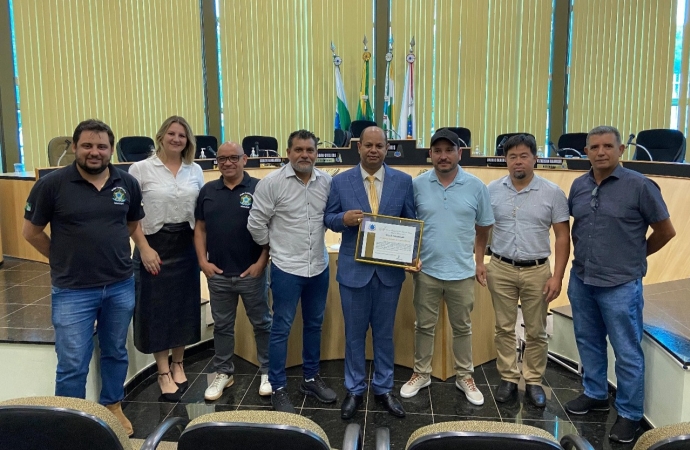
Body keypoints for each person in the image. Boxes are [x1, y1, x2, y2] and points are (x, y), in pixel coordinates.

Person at [22, 119, 144, 435]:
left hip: (119, 284)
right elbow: (31, 232)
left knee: (116, 351)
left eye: (101, 146)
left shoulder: (126, 183)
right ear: (74, 147)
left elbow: (131, 224)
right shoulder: (52, 185)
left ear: (111, 150)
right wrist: (60, 260)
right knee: (73, 362)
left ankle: (112, 405)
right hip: (73, 290)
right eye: (87, 145)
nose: (94, 152)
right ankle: (71, 419)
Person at [565, 126, 676, 443]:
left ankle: (629, 413)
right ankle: (595, 392)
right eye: (594, 147)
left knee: (627, 351)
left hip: (620, 284)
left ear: (620, 150)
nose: (601, 152)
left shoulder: (640, 186)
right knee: (588, 341)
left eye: (608, 146)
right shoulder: (578, 185)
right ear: (586, 151)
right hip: (582, 278)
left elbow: (666, 231)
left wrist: (635, 257)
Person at [324, 126, 416, 420]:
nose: (373, 150)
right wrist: (343, 219)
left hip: (388, 274)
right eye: (368, 145)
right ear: (358, 148)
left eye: (379, 145)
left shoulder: (403, 181)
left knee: (384, 334)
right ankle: (354, 388)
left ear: (387, 148)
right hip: (354, 272)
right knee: (354, 334)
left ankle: (383, 388)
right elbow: (328, 218)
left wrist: (412, 254)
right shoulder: (340, 182)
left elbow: (411, 221)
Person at [399, 128, 494, 406]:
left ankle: (465, 376)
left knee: (462, 327)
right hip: (426, 271)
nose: (443, 156)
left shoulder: (476, 186)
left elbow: (484, 227)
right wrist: (410, 257)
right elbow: (409, 225)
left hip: (462, 272)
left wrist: (478, 262)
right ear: (430, 154)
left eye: (448, 150)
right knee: (423, 325)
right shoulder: (417, 185)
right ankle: (421, 373)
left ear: (459, 153)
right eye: (437, 151)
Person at [248, 129, 336, 413]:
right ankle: (279, 387)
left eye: (310, 150)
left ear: (316, 154)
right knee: (281, 328)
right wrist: (275, 246)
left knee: (314, 325)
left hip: (318, 267)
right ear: (288, 153)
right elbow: (255, 224)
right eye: (298, 150)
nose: (304, 155)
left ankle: (310, 378)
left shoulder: (327, 182)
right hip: (287, 268)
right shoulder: (272, 183)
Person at [485, 134, 570, 407]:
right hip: (500, 268)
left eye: (523, 155)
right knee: (503, 328)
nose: (518, 161)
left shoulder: (553, 193)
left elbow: (561, 236)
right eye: (512, 157)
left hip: (537, 271)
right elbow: (482, 229)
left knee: (536, 330)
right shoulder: (491, 190)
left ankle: (533, 380)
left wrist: (557, 275)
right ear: (505, 160)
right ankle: (508, 378)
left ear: (535, 158)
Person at [129, 116, 204, 402]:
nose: (176, 139)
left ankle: (178, 363)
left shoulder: (194, 169)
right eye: (171, 134)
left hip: (185, 244)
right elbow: (132, 214)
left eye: (182, 135)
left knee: (184, 305)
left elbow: (198, 214)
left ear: (188, 140)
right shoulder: (141, 169)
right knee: (157, 309)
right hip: (154, 245)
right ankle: (162, 371)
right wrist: (144, 248)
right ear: (161, 136)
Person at [194, 142, 272, 401]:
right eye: (222, 159)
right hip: (218, 275)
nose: (228, 163)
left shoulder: (259, 188)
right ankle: (223, 373)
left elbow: (272, 227)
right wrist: (203, 263)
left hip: (252, 272)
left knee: (261, 323)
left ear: (244, 159)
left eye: (233, 158)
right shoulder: (207, 191)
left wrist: (262, 261)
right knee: (223, 326)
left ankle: (267, 370)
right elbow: (200, 229)